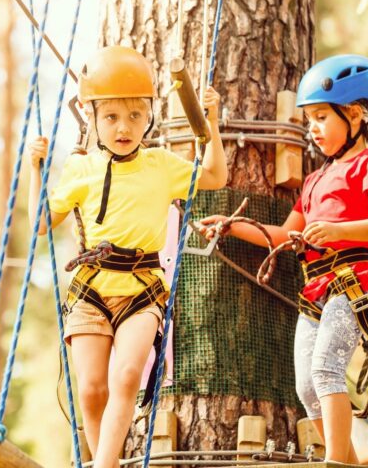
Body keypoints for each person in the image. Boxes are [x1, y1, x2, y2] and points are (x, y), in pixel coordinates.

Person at [28, 45, 227, 468]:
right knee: (91, 389)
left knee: (125, 377)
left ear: (149, 118)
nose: (124, 127)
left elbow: (214, 175)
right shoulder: (81, 169)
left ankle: (103, 465)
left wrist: (209, 122)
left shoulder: (160, 165)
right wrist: (34, 171)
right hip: (91, 290)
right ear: (93, 119)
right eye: (113, 117)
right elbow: (41, 223)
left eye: (135, 116)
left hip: (142, 289)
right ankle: (109, 461)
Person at [199, 55, 368, 463]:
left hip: (353, 283)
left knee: (327, 371)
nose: (313, 128)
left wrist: (339, 231)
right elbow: (284, 235)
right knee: (307, 388)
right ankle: (349, 460)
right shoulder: (315, 179)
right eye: (309, 118)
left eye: (321, 117)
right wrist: (231, 226)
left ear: (357, 115)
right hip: (315, 290)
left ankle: (334, 463)